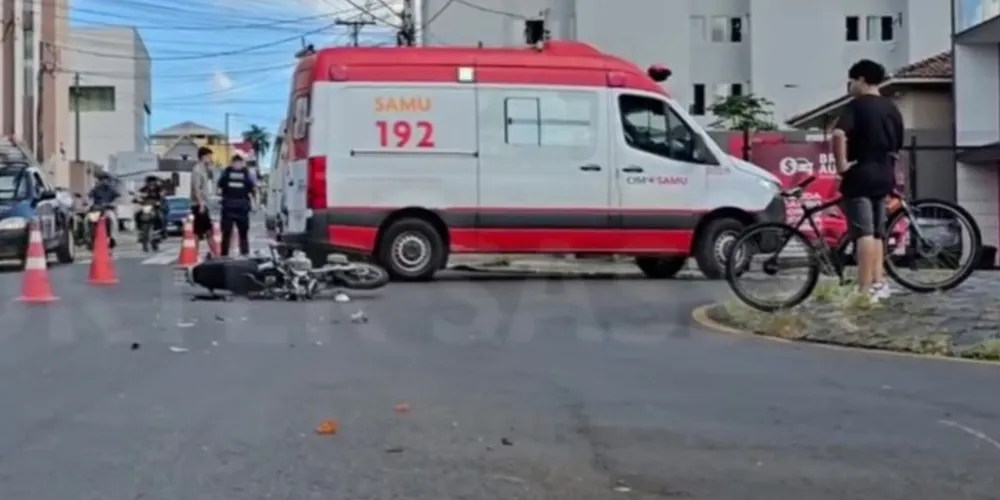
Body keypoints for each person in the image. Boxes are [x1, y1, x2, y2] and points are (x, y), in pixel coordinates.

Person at [832, 59, 903, 302]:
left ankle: (863, 289)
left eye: (851, 81)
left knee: (863, 232)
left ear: (861, 80)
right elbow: (898, 145)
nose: (850, 86)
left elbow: (839, 133)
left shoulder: (856, 106)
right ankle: (879, 283)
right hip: (884, 174)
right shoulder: (891, 108)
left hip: (860, 174)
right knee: (878, 233)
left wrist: (842, 165)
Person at [216, 155, 257, 257]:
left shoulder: (227, 172)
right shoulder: (245, 173)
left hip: (231, 207)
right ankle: (241, 253)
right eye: (237, 163)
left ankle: (227, 254)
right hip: (238, 207)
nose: (238, 165)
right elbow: (252, 189)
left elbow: (220, 186)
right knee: (233, 234)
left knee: (235, 234)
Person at [190, 146, 214, 242]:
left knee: (204, 230)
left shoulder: (204, 169)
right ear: (204, 157)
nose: (211, 159)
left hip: (203, 203)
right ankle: (196, 253)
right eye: (209, 156)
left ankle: (211, 253)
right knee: (201, 230)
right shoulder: (197, 169)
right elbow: (196, 188)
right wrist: (201, 204)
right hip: (198, 204)